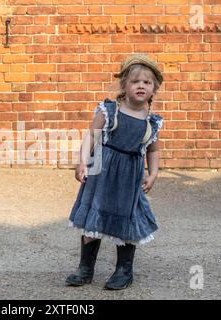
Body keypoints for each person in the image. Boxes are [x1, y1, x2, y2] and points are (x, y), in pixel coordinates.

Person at [65, 54, 164, 290]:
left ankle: (123, 270)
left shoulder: (152, 122)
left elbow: (153, 151)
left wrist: (153, 174)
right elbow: (92, 136)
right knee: (94, 215)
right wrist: (82, 161)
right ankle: (85, 268)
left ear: (153, 90)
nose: (141, 86)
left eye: (147, 83)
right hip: (102, 172)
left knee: (126, 219)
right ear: (124, 86)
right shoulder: (110, 110)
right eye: (135, 81)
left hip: (130, 177)